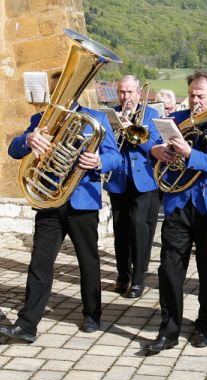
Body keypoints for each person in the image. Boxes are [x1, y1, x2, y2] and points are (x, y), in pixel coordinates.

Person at [0, 72, 122, 343]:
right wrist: (28, 140)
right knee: (39, 262)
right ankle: (27, 324)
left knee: (88, 260)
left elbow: (116, 158)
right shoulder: (40, 120)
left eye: (66, 90)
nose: (61, 96)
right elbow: (14, 150)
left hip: (82, 201)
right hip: (49, 201)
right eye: (57, 91)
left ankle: (92, 314)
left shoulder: (96, 119)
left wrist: (100, 161)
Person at [147, 70, 207, 352]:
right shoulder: (177, 119)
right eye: (191, 95)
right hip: (179, 205)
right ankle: (169, 331)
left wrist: (189, 154)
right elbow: (149, 139)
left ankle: (204, 326)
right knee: (169, 270)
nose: (195, 100)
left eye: (200, 96)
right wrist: (155, 151)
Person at [104, 75, 162, 298]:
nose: (125, 96)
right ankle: (123, 276)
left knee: (138, 225)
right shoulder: (111, 114)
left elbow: (155, 146)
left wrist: (132, 130)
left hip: (143, 179)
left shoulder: (151, 114)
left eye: (129, 92)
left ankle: (138, 279)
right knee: (120, 228)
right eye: (121, 92)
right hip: (118, 178)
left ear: (138, 93)